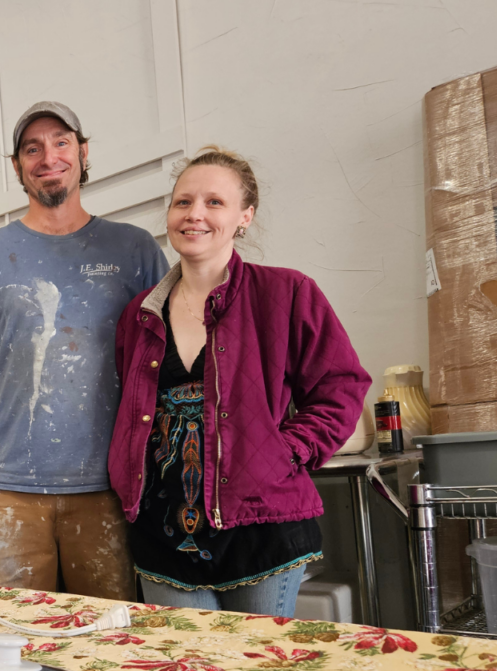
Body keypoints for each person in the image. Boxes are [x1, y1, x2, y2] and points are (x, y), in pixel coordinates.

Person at [108, 146, 371, 614]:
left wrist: (287, 450)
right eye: (183, 202)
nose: (195, 215)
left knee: (253, 662)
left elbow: (342, 386)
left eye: (215, 202)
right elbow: (130, 407)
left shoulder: (287, 293)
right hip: (163, 535)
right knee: (182, 664)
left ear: (244, 216)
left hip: (260, 529)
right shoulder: (139, 313)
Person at [0, 101, 169, 599]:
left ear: (84, 152)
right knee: (15, 643)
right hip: (8, 492)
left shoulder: (135, 251)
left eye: (61, 142)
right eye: (33, 148)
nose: (48, 157)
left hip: (110, 488)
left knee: (108, 643)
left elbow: (163, 367)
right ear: (18, 166)